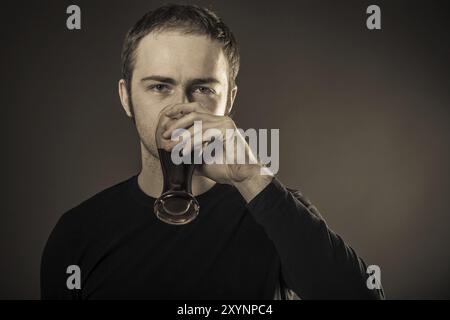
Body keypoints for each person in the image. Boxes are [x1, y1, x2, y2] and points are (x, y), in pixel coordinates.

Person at [41, 4, 384, 300]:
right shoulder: (78, 233)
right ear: (126, 97)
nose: (180, 108)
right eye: (160, 87)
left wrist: (252, 177)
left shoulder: (272, 212)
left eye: (202, 88)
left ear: (229, 100)